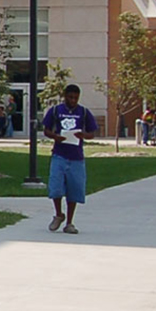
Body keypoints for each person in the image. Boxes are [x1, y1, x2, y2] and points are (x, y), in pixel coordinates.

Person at [43, 84, 97, 235]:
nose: (73, 100)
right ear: (65, 96)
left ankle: (69, 223)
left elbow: (92, 133)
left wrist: (83, 135)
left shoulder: (84, 112)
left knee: (74, 189)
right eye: (70, 97)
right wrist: (55, 137)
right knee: (56, 187)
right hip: (59, 154)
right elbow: (46, 129)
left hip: (76, 157)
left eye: (75, 98)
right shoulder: (56, 111)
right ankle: (59, 214)